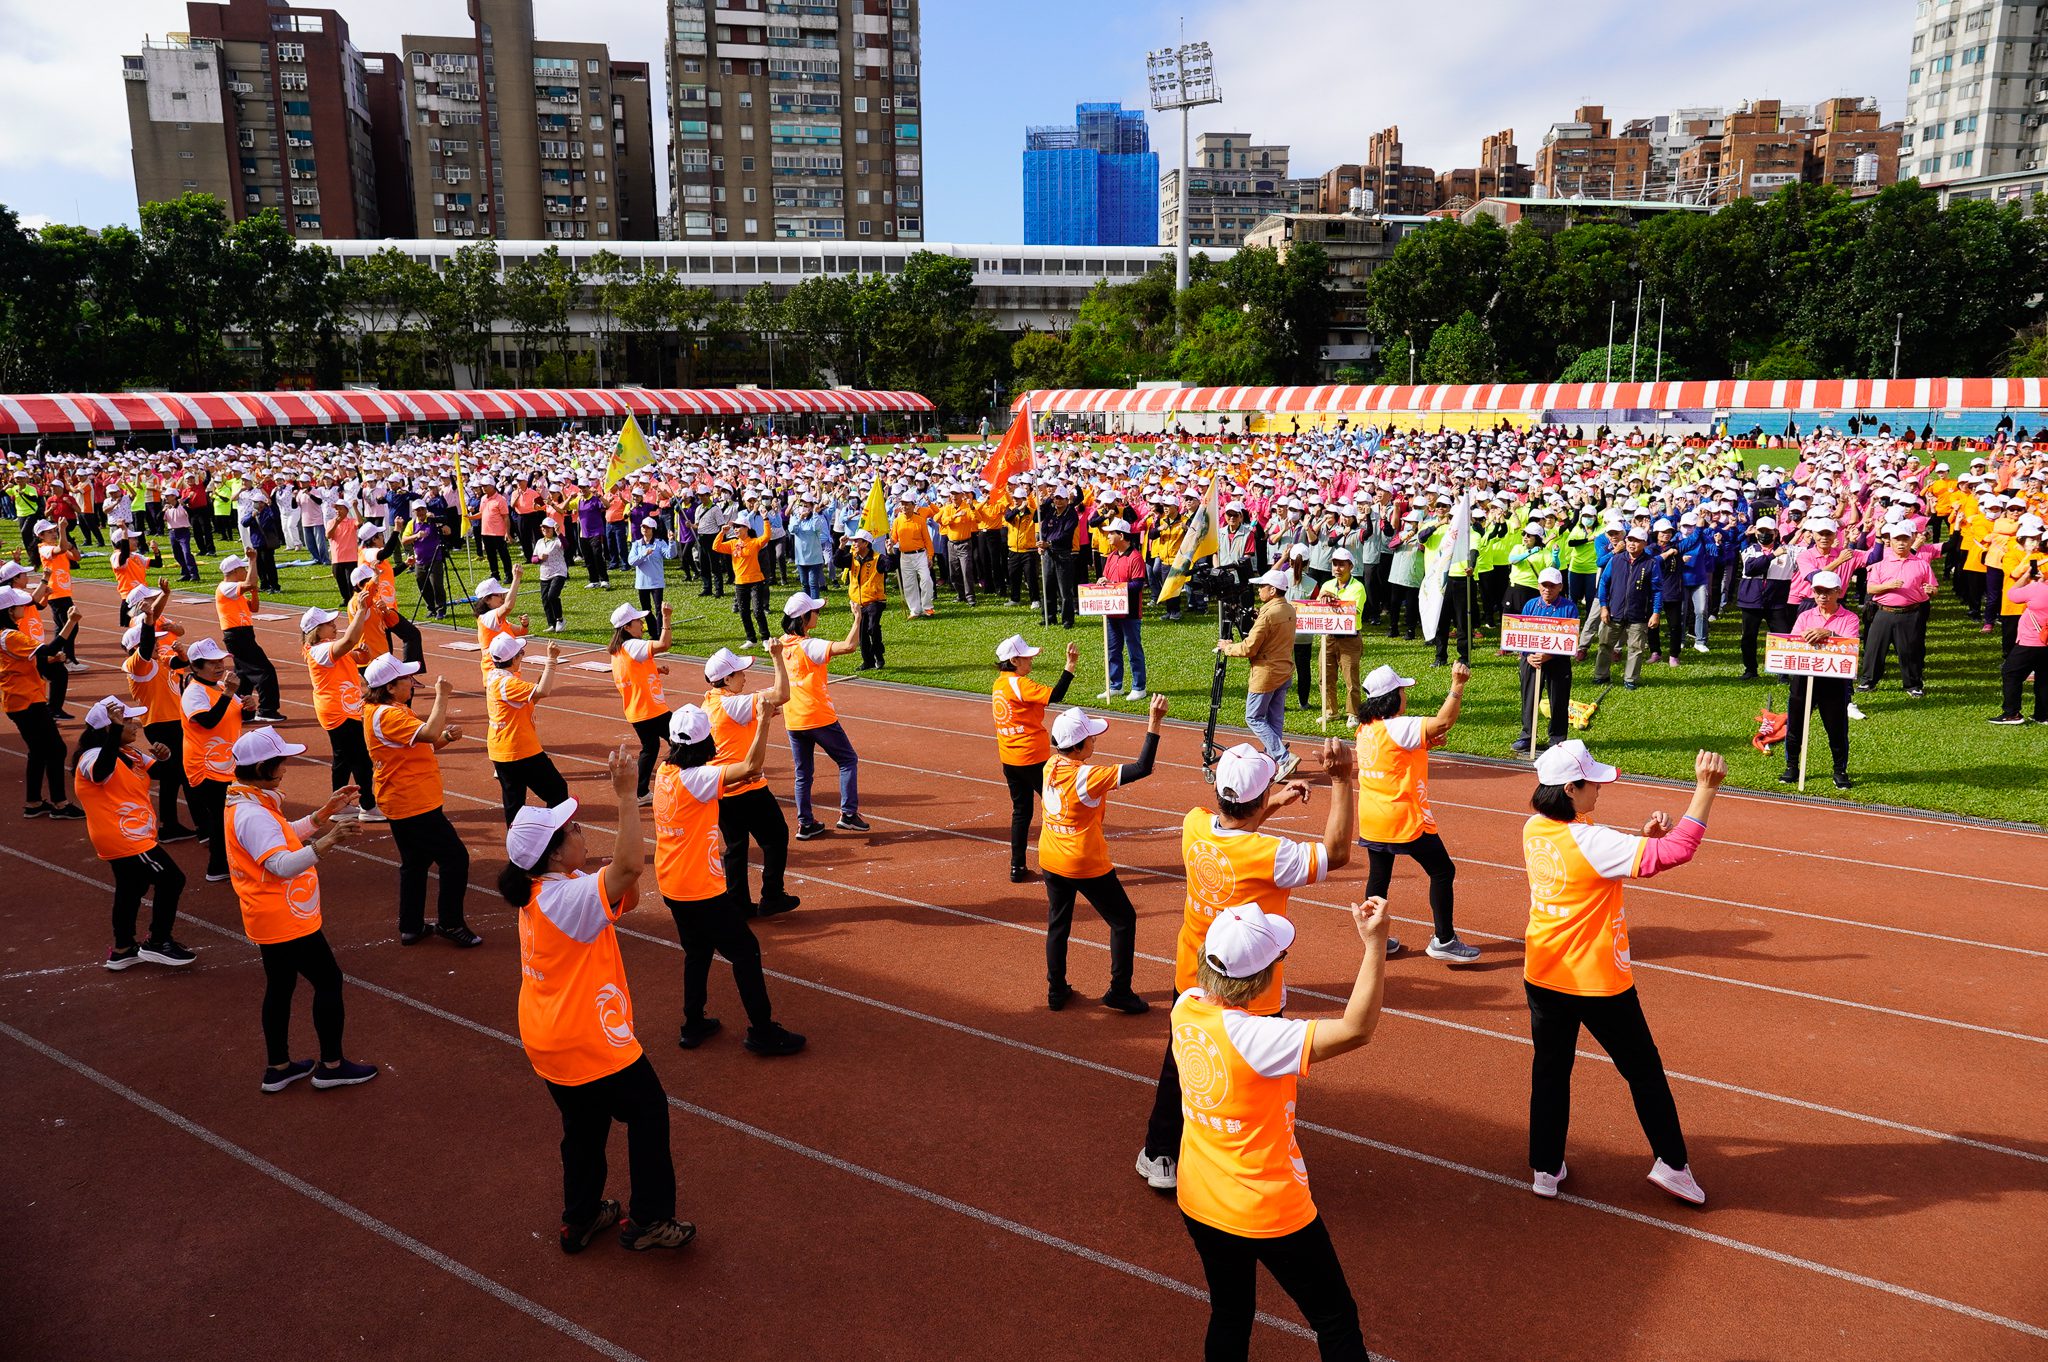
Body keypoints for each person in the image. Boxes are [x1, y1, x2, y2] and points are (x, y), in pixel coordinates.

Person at [1173, 898, 1389, 1362]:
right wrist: (1374, 945)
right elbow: (1356, 1029)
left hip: (1201, 1198)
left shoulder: (1185, 1008)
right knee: (1334, 1317)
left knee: (1230, 1312)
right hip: (1268, 1208)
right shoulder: (1257, 1039)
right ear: (1263, 976)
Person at [1137, 740, 1355, 1192]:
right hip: (1252, 988)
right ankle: (1256, 1162)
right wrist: (1340, 781)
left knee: (1185, 1064)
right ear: (1258, 798)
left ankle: (1160, 1153)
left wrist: (1272, 800)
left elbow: (1234, 828)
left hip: (1193, 975)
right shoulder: (1272, 855)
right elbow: (1336, 854)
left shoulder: (1193, 825)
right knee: (1261, 1077)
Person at [499, 755, 695, 1253]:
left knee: (583, 1129)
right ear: (555, 852)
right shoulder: (568, 899)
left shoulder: (543, 892)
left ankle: (580, 1217)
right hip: (589, 1038)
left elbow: (623, 881)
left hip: (548, 1038)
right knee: (648, 1111)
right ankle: (649, 1219)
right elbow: (629, 865)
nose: (582, 833)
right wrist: (628, 795)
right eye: (574, 830)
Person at [1522, 742, 1726, 1206]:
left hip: (1544, 973)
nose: (1600, 789)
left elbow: (1595, 859)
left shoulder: (1536, 826)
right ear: (1570, 789)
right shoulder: (1591, 840)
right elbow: (1678, 852)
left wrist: (1640, 839)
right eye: (1593, 783)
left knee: (1551, 1072)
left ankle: (1546, 1168)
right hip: (1596, 982)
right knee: (1644, 1071)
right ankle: (1673, 1166)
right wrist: (1704, 789)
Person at [224, 727, 376, 1093]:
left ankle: (279, 1067)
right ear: (263, 767)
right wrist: (329, 841)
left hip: (269, 915)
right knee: (328, 981)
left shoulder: (247, 801)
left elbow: (283, 835)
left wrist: (323, 814)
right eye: (280, 762)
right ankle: (332, 1066)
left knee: (280, 985)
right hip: (285, 918)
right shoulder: (253, 813)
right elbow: (280, 864)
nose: (285, 768)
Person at [655, 702, 808, 1057]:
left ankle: (693, 1023)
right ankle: (763, 1031)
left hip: (672, 884)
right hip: (701, 889)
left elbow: (725, 777)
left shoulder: (667, 771)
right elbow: (751, 766)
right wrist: (764, 723)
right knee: (746, 952)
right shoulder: (699, 780)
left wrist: (737, 776)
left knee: (697, 952)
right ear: (705, 741)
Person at [1037, 697, 1167, 1014]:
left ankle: (1056, 991)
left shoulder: (1050, 766)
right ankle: (1119, 991)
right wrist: (1155, 721)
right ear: (1080, 747)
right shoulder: (1088, 777)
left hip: (1051, 857)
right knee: (1123, 920)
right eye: (1092, 737)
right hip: (1084, 862)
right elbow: (1142, 767)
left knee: (1058, 924)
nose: (1096, 739)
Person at [1354, 662, 1480, 963]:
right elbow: (1442, 723)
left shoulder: (1367, 728)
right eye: (1401, 690)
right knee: (1442, 871)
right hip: (1403, 819)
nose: (1405, 695)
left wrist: (1426, 744)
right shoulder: (1399, 725)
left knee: (1379, 877)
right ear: (1393, 696)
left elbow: (1397, 755)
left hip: (1373, 817)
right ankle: (1444, 940)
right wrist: (1457, 685)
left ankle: (1374, 937)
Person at [363, 654, 481, 947]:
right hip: (413, 802)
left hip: (402, 798)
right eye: (406, 679)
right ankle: (450, 923)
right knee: (455, 859)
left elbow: (421, 743)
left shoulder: (387, 711)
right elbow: (426, 733)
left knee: (415, 863)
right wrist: (442, 696)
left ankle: (411, 925)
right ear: (390, 687)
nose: (412, 684)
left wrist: (445, 737)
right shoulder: (390, 715)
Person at [72, 695, 194, 970]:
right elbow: (100, 772)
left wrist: (165, 757)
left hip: (133, 833)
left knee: (131, 887)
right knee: (172, 879)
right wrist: (115, 730)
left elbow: (165, 773)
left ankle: (123, 948)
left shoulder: (130, 753)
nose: (136, 725)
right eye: (127, 721)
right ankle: (158, 942)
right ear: (109, 727)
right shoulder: (91, 756)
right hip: (124, 837)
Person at [703, 645, 800, 917]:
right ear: (726, 679)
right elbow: (782, 694)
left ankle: (738, 904)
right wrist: (777, 656)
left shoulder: (710, 701)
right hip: (747, 786)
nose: (745, 676)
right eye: (740, 673)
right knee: (776, 836)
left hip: (722, 787)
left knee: (736, 848)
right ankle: (771, 895)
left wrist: (758, 716)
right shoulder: (734, 703)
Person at [773, 590, 867, 841]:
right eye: (815, 611)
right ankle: (848, 815)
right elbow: (849, 646)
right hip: (818, 716)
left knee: (803, 773)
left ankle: (805, 823)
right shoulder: (809, 645)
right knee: (848, 760)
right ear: (804, 618)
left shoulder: (782, 645)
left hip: (793, 718)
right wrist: (857, 619)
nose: (818, 614)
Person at [991, 634, 1078, 883]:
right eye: (1027, 657)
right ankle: (1068, 862)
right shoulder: (1020, 684)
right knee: (1061, 808)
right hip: (1033, 759)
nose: (1031, 661)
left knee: (1021, 812)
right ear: (1015, 660)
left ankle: (1017, 867)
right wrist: (1070, 666)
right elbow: (1056, 695)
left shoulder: (1000, 684)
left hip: (1010, 760)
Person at [120, 586, 198, 840]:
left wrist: (183, 654)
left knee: (172, 775)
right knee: (179, 773)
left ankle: (169, 824)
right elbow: (144, 647)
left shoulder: (157, 661)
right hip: (161, 724)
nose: (158, 645)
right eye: (155, 641)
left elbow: (180, 664)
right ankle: (190, 823)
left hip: (172, 721)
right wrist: (150, 621)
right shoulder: (139, 665)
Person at [1, 584, 81, 818]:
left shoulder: (6, 636)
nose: (24, 607)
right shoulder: (11, 636)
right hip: (27, 701)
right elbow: (49, 648)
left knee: (38, 751)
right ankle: (60, 803)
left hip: (18, 699)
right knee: (56, 749)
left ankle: (34, 802)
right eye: (19, 605)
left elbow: (29, 659)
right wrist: (71, 622)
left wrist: (51, 660)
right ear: (8, 610)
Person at [299, 604, 382, 823]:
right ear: (316, 630)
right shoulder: (320, 650)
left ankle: (339, 804)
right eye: (329, 624)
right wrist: (362, 611)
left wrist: (361, 655)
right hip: (339, 711)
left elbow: (350, 654)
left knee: (343, 759)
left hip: (341, 709)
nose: (335, 626)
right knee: (361, 759)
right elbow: (349, 642)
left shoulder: (326, 648)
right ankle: (368, 806)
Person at [179, 636, 250, 882]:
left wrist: (247, 707)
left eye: (221, 660)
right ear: (195, 667)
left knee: (227, 816)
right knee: (221, 818)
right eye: (211, 662)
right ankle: (218, 867)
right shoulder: (194, 693)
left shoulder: (219, 687)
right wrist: (229, 695)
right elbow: (208, 721)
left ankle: (224, 863)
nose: (219, 666)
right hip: (206, 767)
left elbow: (236, 714)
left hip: (226, 764)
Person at [1779, 570, 1858, 790]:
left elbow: (1851, 644)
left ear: (1838, 592)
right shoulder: (1805, 616)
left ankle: (1839, 770)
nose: (1822, 596)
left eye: (1828, 592)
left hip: (1833, 680)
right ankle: (1792, 766)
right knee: (1796, 723)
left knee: (1836, 727)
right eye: (1818, 591)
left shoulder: (1850, 617)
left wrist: (1829, 633)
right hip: (1804, 678)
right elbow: (1793, 641)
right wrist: (1804, 637)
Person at [1217, 567, 1299, 775]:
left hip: (1266, 673)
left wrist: (1227, 648)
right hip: (1284, 670)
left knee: (1253, 717)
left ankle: (1283, 757)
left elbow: (1249, 648)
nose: (1259, 590)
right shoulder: (1288, 609)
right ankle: (1276, 759)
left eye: (1262, 586)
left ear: (1272, 590)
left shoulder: (1268, 615)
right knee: (1275, 719)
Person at [486, 632, 571, 822]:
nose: (522, 656)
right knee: (557, 792)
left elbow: (529, 699)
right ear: (513, 659)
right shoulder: (508, 683)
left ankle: (518, 848)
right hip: (520, 750)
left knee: (514, 805)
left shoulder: (495, 677)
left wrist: (537, 688)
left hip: (502, 750)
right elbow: (544, 691)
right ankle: (552, 842)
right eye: (521, 653)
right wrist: (551, 660)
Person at [608, 601, 675, 803]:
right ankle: (687, 781)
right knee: (684, 743)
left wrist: (656, 670)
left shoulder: (619, 649)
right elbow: (664, 644)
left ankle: (640, 792)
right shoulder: (632, 645)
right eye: (638, 621)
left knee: (650, 747)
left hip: (637, 711)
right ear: (627, 627)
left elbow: (632, 673)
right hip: (652, 710)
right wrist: (666, 617)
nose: (642, 624)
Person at [1858, 525, 1937, 696]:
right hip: (1884, 612)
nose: (1901, 543)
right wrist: (1888, 586)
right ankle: (1868, 681)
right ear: (1891, 542)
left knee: (1910, 650)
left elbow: (1934, 588)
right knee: (1874, 648)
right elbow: (1871, 589)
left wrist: (1931, 590)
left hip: (1910, 612)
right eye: (1897, 540)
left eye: (1905, 539)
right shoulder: (1880, 565)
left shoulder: (1922, 564)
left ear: (1911, 541)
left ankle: (1913, 684)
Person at [1514, 568, 1578, 755]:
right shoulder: (1530, 605)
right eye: (1544, 585)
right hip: (1531, 659)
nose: (1547, 589)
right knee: (1529, 698)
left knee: (1558, 699)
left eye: (1552, 586)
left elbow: (1571, 638)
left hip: (1557, 661)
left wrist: (1549, 655)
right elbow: (1521, 633)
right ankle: (1527, 736)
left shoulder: (1569, 607)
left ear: (1560, 587)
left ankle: (1557, 739)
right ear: (1538, 586)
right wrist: (1527, 655)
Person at [1591, 526, 1662, 692]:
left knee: (1636, 648)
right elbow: (1604, 583)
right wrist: (1603, 607)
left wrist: (1656, 612)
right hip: (1614, 611)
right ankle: (1601, 675)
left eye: (1637, 541)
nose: (1632, 543)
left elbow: (1657, 590)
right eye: (1630, 539)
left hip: (1638, 614)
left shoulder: (1651, 563)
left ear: (1644, 543)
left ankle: (1630, 679)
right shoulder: (1615, 559)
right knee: (1604, 644)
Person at [214, 554, 284, 722]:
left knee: (244, 677)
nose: (246, 571)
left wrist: (254, 592)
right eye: (243, 568)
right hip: (238, 636)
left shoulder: (234, 590)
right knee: (265, 671)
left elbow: (254, 607)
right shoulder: (226, 587)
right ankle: (267, 710)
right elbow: (250, 582)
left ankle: (243, 712)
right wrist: (253, 560)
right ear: (235, 571)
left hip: (243, 634)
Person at [1093, 519, 1148, 701]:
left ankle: (1139, 686)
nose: (1108, 536)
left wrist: (1115, 585)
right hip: (1112, 611)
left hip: (1130, 612)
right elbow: (1107, 577)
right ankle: (1116, 684)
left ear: (1121, 535)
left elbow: (1137, 585)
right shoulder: (1111, 556)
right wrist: (1103, 581)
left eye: (1111, 533)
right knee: (1113, 649)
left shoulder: (1135, 557)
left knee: (1134, 650)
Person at [1993, 551, 2048, 724]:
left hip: (2031, 641)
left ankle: (2012, 713)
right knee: (2045, 677)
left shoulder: (2037, 589)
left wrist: (2026, 576)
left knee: (2010, 672)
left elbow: (2012, 594)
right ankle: (2043, 714)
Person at [1315, 548, 1367, 724]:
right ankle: (1330, 711)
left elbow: (1352, 610)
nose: (1337, 568)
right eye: (1335, 564)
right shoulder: (1326, 585)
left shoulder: (1358, 587)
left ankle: (1353, 713)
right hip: (1328, 636)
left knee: (1351, 678)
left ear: (1350, 566)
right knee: (1325, 676)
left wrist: (1332, 599)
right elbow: (1318, 608)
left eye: (1342, 565)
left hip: (1349, 638)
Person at [713, 516, 772, 648]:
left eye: (738, 526)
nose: (735, 529)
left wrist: (766, 519)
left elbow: (767, 536)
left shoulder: (754, 542)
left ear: (746, 528)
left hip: (756, 581)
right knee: (743, 611)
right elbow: (716, 547)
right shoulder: (733, 543)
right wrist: (722, 533)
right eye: (734, 527)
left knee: (757, 611)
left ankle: (765, 638)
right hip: (740, 583)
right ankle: (751, 639)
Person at [840, 529, 888, 670]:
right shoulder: (852, 557)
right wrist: (841, 546)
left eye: (857, 541)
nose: (853, 543)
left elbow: (892, 565)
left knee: (872, 628)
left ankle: (878, 655)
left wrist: (891, 551)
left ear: (866, 543)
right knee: (862, 633)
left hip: (875, 600)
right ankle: (868, 661)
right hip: (857, 602)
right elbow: (838, 562)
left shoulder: (878, 558)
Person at [628, 518, 677, 620]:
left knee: (659, 609)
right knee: (646, 610)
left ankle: (660, 633)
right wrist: (644, 554)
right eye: (643, 526)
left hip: (656, 583)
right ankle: (653, 632)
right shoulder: (636, 544)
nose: (645, 529)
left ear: (653, 529)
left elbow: (670, 555)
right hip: (642, 584)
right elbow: (632, 561)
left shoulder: (659, 543)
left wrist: (671, 541)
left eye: (648, 527)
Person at [531, 518, 570, 632]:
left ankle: (560, 619)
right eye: (543, 527)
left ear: (553, 529)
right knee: (545, 600)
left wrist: (559, 533)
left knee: (552, 595)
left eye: (548, 528)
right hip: (544, 574)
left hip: (558, 572)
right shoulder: (539, 542)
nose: (545, 530)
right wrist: (539, 558)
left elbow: (566, 546)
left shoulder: (557, 541)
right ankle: (552, 624)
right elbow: (533, 558)